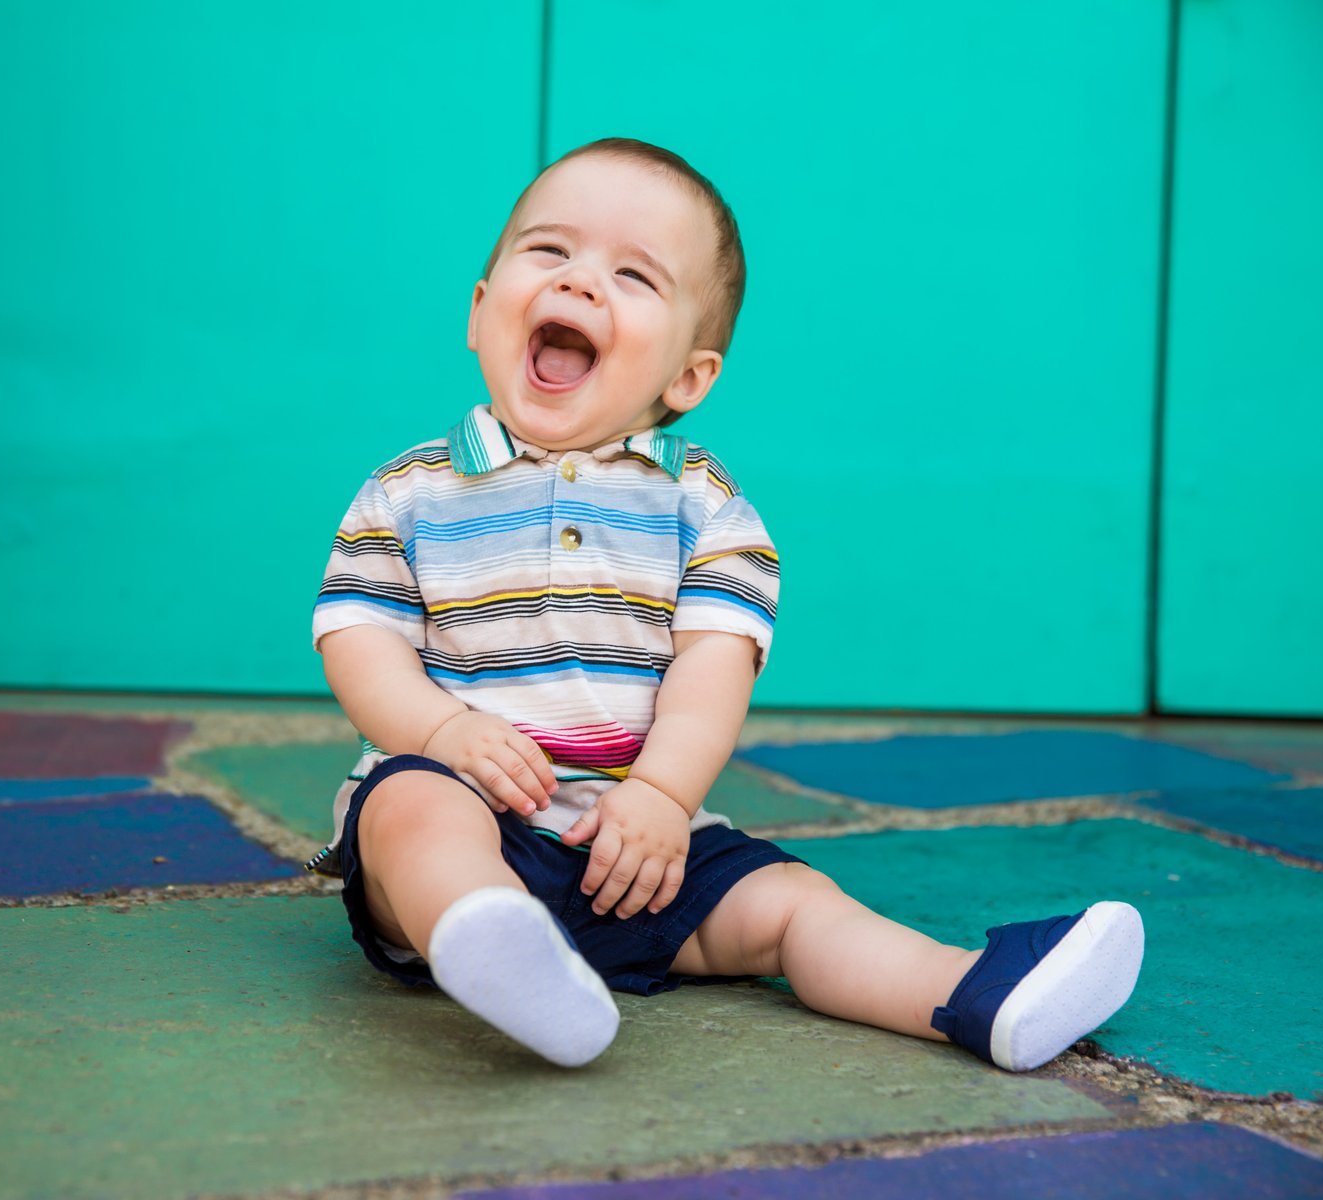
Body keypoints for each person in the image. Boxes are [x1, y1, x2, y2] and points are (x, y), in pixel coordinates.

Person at [309, 137, 1143, 1070]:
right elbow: (358, 639)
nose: (578, 281)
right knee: (410, 812)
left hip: (634, 847)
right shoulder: (411, 491)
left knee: (790, 906)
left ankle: (969, 993)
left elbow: (715, 664)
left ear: (688, 378)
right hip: (469, 804)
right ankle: (491, 933)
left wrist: (663, 796)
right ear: (478, 311)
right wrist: (439, 733)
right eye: (549, 251)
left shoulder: (702, 506)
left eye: (632, 275)